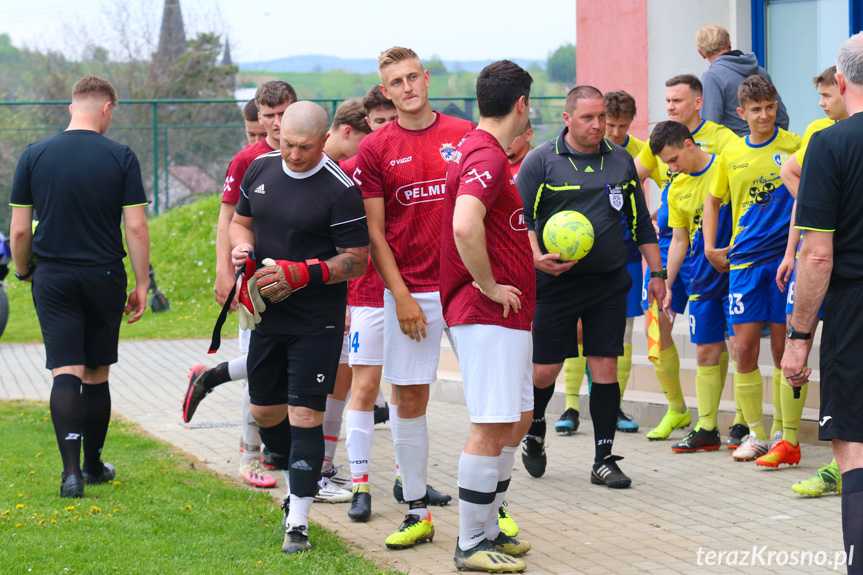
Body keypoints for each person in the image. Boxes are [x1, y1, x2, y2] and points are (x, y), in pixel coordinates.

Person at [230, 101, 369, 554]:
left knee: (305, 416)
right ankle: (297, 483)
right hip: (266, 315)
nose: (293, 154)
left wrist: (303, 273)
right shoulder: (260, 169)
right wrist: (242, 250)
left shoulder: (341, 188)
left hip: (317, 319)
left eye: (304, 147)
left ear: (325, 139)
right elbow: (239, 223)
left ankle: (299, 521)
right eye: (287, 144)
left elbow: (357, 260)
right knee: (265, 413)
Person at [354, 46, 474, 549]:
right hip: (412, 294)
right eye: (395, 82)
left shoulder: (465, 135)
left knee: (491, 400)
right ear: (385, 92)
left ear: (427, 78)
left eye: (412, 77)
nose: (406, 88)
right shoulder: (375, 149)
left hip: (468, 290)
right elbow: (375, 234)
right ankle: (418, 511)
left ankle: (494, 506)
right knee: (408, 398)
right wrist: (400, 294)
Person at [516, 85, 666, 488]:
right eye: (588, 117)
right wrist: (534, 257)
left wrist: (658, 274)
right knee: (545, 370)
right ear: (567, 119)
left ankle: (604, 459)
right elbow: (519, 220)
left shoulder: (621, 163)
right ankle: (535, 428)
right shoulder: (541, 162)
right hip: (555, 284)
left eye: (602, 117)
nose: (599, 125)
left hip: (609, 283)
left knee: (604, 367)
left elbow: (641, 224)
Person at [9, 75, 150, 498]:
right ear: (107, 108)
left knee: (64, 369)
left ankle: (70, 474)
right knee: (96, 372)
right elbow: (137, 226)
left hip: (52, 275)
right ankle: (93, 465)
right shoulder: (121, 156)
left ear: (74, 107)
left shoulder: (33, 155)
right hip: (104, 273)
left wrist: (23, 271)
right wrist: (142, 283)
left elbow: (18, 232)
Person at [441, 59, 534, 573]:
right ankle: (471, 542)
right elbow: (463, 224)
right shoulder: (488, 154)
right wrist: (488, 283)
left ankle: (492, 525)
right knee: (492, 422)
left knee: (513, 420)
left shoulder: (482, 151)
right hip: (486, 310)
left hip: (506, 315)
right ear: (521, 103)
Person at [182, 81, 297, 491]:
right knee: (260, 370)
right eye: (269, 115)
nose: (277, 123)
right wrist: (223, 273)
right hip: (255, 285)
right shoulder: (248, 159)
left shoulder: (310, 153)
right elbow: (226, 219)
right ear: (258, 116)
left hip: (298, 283)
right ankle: (252, 455)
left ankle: (290, 453)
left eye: (284, 113)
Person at [782, 34, 863, 573]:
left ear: (840, 81)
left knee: (855, 452)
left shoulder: (831, 145)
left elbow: (815, 257)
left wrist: (798, 338)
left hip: (855, 313)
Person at [633, 74, 739, 444]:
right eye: (667, 101)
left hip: (714, 254)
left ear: (698, 102)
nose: (671, 107)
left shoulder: (725, 143)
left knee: (724, 336)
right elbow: (632, 176)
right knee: (654, 330)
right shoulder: (663, 148)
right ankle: (676, 407)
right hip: (671, 250)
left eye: (677, 100)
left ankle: (737, 418)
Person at [702, 75, 801, 462]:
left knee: (783, 349)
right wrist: (710, 247)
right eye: (756, 110)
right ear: (741, 113)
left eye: (770, 107)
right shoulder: (731, 154)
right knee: (744, 349)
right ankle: (756, 433)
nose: (764, 115)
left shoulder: (793, 146)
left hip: (783, 263)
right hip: (742, 262)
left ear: (777, 106)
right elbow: (713, 202)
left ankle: (783, 433)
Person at [557, 90, 647, 436]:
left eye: (622, 126)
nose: (614, 133)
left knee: (620, 333)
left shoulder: (636, 153)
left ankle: (614, 405)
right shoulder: (576, 152)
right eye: (610, 125)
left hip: (625, 253)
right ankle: (570, 406)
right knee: (578, 329)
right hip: (582, 253)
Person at [778, 66, 848, 493]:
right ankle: (838, 466)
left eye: (826, 94)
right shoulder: (822, 136)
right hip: (834, 274)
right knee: (837, 369)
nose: (821, 104)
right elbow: (790, 172)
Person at [651, 120, 732, 453]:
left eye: (673, 159)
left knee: (743, 349)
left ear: (689, 144)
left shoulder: (725, 166)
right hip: (700, 276)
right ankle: (707, 428)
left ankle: (742, 424)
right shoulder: (676, 187)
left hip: (735, 271)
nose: (671, 168)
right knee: (704, 351)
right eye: (665, 163)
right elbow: (679, 241)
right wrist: (668, 285)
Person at [696, 24, 790, 136]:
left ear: (701, 53)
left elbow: (710, 127)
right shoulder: (761, 72)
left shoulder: (712, 77)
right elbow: (782, 118)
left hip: (734, 150)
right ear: (729, 42)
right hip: (769, 146)